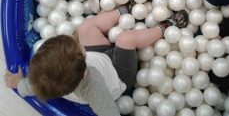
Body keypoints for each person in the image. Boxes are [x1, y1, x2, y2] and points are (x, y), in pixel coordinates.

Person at [4, 7, 188, 116]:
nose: (79, 43)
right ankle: (165, 27)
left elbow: (31, 85)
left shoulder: (43, 81)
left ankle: (125, 9)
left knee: (85, 27)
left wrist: (17, 84)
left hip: (99, 58)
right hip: (118, 74)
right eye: (79, 47)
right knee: (126, 39)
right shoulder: (94, 87)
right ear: (84, 72)